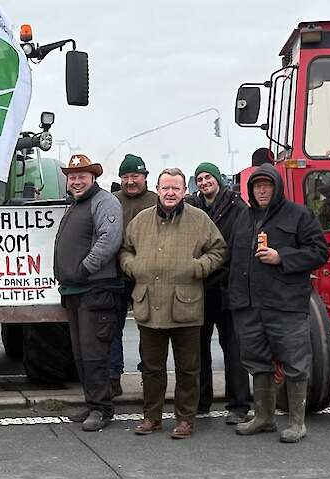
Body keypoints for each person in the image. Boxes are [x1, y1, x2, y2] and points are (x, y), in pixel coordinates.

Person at [120, 168, 226, 439]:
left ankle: (185, 419)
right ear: (157, 189)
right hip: (149, 304)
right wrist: (133, 266)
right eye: (165, 188)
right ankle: (151, 417)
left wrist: (198, 267)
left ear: (184, 192)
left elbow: (218, 250)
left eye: (176, 189)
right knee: (152, 368)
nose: (170, 193)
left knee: (188, 368)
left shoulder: (199, 219)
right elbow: (125, 249)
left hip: (185, 306)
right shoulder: (141, 220)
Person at [228, 163, 328, 443]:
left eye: (267, 185)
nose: (261, 190)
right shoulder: (243, 219)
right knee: (257, 362)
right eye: (257, 186)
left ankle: (297, 423)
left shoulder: (299, 215)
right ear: (250, 189)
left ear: (277, 187)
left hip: (285, 305)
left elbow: (319, 252)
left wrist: (281, 257)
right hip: (248, 306)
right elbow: (232, 260)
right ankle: (263, 417)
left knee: (295, 363)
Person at [54, 154, 123, 432]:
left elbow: (110, 239)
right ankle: (92, 402)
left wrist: (84, 269)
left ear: (93, 178)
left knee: (95, 352)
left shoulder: (105, 202)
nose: (76, 181)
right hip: (75, 290)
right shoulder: (77, 204)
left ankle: (102, 409)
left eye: (82, 176)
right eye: (72, 177)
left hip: (95, 290)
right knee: (81, 353)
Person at [185, 162, 251, 423]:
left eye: (208, 177)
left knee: (233, 349)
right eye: (199, 178)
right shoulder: (192, 208)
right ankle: (202, 401)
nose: (204, 182)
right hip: (200, 289)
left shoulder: (238, 208)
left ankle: (239, 404)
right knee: (198, 348)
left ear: (217, 179)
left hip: (228, 288)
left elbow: (240, 246)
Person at [109, 154, 157, 397]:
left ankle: (147, 377)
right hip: (116, 275)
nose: (130, 181)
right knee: (112, 328)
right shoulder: (110, 201)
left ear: (145, 177)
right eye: (125, 176)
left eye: (135, 176)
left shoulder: (157, 201)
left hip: (147, 277)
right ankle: (113, 377)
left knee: (148, 329)